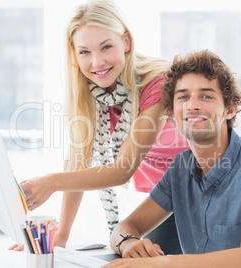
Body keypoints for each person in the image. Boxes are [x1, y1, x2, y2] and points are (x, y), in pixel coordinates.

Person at [104, 49, 241, 267]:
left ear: (230, 109)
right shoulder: (181, 168)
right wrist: (128, 244)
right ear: (172, 114)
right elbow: (125, 227)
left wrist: (158, 264)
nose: (192, 105)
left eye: (206, 96)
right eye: (183, 96)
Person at [16, 0, 188, 254]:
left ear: (126, 42)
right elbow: (78, 159)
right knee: (135, 254)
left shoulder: (158, 81)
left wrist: (50, 183)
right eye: (84, 52)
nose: (96, 62)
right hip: (168, 195)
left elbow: (122, 170)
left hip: (205, 188)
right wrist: (61, 237)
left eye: (106, 47)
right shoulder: (89, 92)